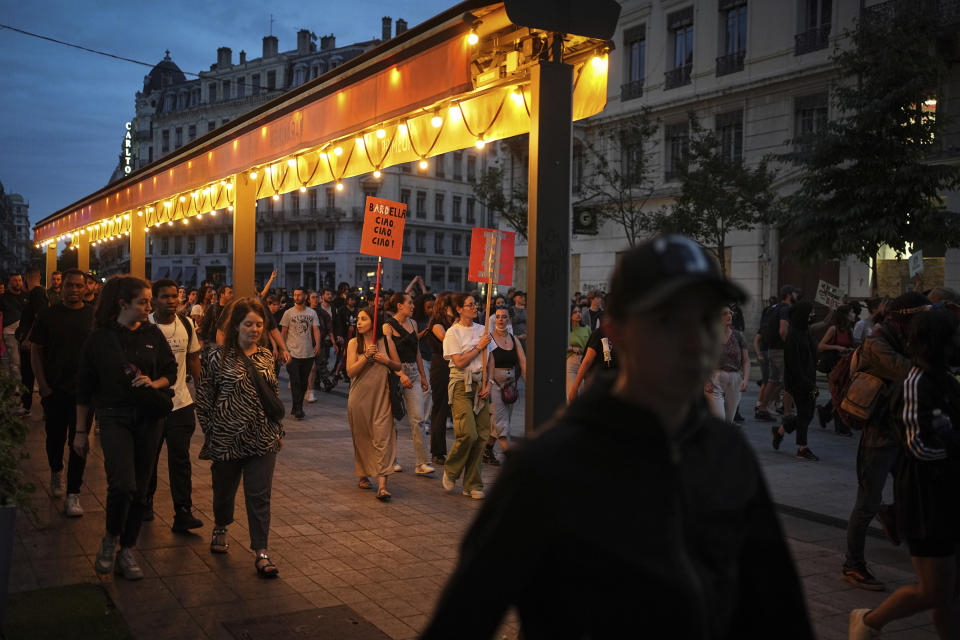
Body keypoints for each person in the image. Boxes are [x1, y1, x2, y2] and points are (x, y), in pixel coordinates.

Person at [421, 235, 813, 639]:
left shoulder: (727, 455)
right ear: (619, 330)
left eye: (706, 317)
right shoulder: (548, 468)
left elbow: (780, 614)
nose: (694, 340)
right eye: (668, 320)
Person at [850, 309, 960, 640]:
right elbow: (918, 446)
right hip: (926, 499)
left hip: (948, 495)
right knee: (933, 590)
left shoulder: (946, 380)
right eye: (954, 336)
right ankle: (869, 621)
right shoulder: (916, 383)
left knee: (948, 589)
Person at [73, 275, 177, 581]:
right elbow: (84, 388)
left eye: (149, 301)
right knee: (122, 484)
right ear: (123, 304)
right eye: (143, 302)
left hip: (149, 418)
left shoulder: (153, 334)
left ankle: (127, 549)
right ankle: (110, 538)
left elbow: (171, 371)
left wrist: (153, 382)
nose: (150, 306)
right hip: (114, 417)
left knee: (142, 489)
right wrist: (80, 432)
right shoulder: (100, 339)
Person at [843, 292, 929, 592]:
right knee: (866, 503)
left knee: (916, 493)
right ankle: (852, 564)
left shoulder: (906, 337)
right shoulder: (878, 342)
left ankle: (892, 515)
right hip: (879, 435)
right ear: (903, 319)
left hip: (905, 432)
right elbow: (909, 373)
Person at [196, 297, 284, 578]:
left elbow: (273, 396)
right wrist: (212, 433)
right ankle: (221, 526)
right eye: (249, 324)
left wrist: (278, 431)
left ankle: (261, 552)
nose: (255, 329)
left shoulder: (267, 356)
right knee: (223, 493)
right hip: (226, 439)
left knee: (259, 496)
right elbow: (205, 399)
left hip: (262, 438)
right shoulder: (214, 356)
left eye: (260, 324)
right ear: (236, 326)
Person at [30, 269, 94, 517]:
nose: (74, 290)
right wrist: (43, 386)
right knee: (54, 439)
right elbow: (36, 351)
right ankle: (56, 471)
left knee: (79, 442)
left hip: (84, 394)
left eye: (79, 286)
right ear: (62, 287)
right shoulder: (48, 315)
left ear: (86, 288)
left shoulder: (93, 316)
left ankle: (73, 494)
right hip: (55, 390)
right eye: (70, 285)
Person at [144, 278, 204, 532]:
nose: (171, 301)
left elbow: (193, 360)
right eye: (165, 297)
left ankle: (183, 512)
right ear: (154, 300)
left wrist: (203, 390)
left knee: (180, 460)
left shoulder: (187, 324)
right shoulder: (144, 327)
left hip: (181, 404)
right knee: (148, 459)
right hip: (150, 406)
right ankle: (144, 504)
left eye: (174, 296)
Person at [441, 293, 495, 500]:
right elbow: (460, 362)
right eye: (469, 305)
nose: (474, 307)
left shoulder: (483, 330)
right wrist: (478, 347)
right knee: (468, 434)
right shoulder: (452, 333)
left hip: (481, 384)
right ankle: (451, 469)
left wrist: (489, 382)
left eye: (475, 304)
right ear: (459, 309)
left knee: (482, 436)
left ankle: (472, 483)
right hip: (461, 384)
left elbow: (490, 358)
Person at [346, 306, 402, 500]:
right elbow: (350, 372)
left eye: (363, 319)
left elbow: (398, 365)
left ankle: (382, 486)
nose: (358, 322)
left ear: (373, 322)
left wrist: (386, 360)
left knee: (382, 438)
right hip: (359, 399)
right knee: (362, 438)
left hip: (382, 398)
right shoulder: (354, 343)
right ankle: (363, 474)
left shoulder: (386, 341)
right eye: (358, 319)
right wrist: (366, 357)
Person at [383, 292, 434, 475]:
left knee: (418, 418)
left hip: (413, 372)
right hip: (395, 374)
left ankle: (422, 463)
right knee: (392, 419)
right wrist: (399, 373)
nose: (413, 306)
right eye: (410, 303)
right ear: (399, 306)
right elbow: (390, 353)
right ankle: (392, 459)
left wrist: (422, 375)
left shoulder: (413, 324)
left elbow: (417, 352)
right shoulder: (388, 326)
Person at [771, 301, 820, 461]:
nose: (812, 315)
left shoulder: (805, 331)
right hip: (799, 383)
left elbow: (812, 353)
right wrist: (808, 384)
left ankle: (780, 430)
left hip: (809, 381)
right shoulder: (793, 336)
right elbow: (795, 365)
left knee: (808, 412)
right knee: (805, 413)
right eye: (809, 313)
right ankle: (802, 448)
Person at [484, 306, 526, 465]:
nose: (501, 320)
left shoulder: (514, 339)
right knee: (501, 421)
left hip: (510, 386)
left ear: (509, 319)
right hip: (494, 384)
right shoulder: (489, 338)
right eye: (498, 316)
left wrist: (527, 383)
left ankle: (487, 450)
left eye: (504, 317)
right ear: (495, 319)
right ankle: (511, 457)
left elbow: (523, 362)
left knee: (502, 419)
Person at [756, 285, 798, 421]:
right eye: (794, 293)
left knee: (773, 380)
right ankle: (786, 413)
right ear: (789, 295)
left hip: (771, 348)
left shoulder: (775, 308)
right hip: (781, 350)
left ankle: (762, 408)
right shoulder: (786, 309)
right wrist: (789, 346)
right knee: (788, 381)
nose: (796, 295)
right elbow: (782, 330)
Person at [816, 304, 858, 434]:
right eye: (851, 312)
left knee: (843, 393)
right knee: (840, 394)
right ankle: (840, 425)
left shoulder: (849, 330)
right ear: (845, 315)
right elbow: (821, 346)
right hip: (834, 364)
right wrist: (837, 348)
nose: (854, 314)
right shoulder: (833, 329)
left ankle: (825, 412)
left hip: (846, 365)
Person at [704, 306, 750, 423]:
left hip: (735, 378)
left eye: (730, 313)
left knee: (728, 420)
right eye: (725, 314)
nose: (729, 316)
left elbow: (746, 360)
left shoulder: (738, 336)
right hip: (715, 378)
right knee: (720, 419)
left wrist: (745, 379)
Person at [280, 287, 320, 419]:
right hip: (292, 353)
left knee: (303, 382)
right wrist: (283, 349)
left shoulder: (312, 313)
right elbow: (283, 332)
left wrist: (317, 344)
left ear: (305, 297)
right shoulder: (288, 313)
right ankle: (298, 408)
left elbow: (315, 330)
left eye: (299, 295)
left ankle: (296, 406)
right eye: (295, 295)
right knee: (295, 381)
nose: (296, 297)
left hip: (308, 353)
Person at [426, 294, 454, 466]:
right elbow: (448, 340)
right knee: (440, 409)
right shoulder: (437, 324)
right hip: (441, 367)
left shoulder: (451, 322)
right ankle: (437, 451)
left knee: (447, 409)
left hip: (453, 366)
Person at [17, 267, 48, 414]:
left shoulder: (36, 293)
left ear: (26, 278)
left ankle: (27, 405)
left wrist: (29, 339)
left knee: (29, 373)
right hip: (29, 340)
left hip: (30, 342)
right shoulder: (36, 293)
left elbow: (39, 318)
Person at [1, 274, 27, 384]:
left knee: (25, 360)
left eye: (20, 280)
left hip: (25, 333)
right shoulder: (3, 298)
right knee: (15, 360)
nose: (18, 283)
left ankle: (24, 383)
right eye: (15, 280)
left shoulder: (26, 296)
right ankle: (17, 385)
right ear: (10, 282)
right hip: (10, 332)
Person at [566, 306, 591, 402]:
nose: (578, 314)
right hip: (571, 362)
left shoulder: (586, 329)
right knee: (571, 393)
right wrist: (572, 348)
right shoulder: (567, 329)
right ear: (570, 315)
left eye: (579, 312)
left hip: (584, 362)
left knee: (583, 394)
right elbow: (559, 345)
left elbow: (590, 345)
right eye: (575, 312)